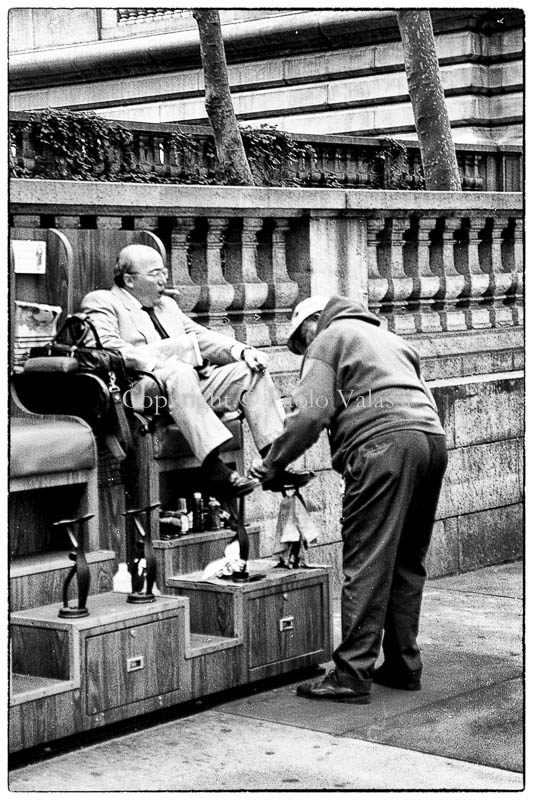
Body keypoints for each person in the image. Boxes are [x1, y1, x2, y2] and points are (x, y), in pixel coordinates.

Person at [250, 295, 448, 703]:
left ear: (309, 324)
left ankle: (352, 674)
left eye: (300, 344)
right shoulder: (387, 338)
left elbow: (310, 414)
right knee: (407, 560)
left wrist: (272, 463)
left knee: (367, 559)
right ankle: (403, 664)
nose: (304, 353)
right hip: (431, 441)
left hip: (382, 447)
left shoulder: (328, 337)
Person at [80, 244, 311, 500]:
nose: (163, 279)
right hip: (142, 390)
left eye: (164, 272)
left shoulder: (167, 305)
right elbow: (106, 348)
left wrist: (243, 351)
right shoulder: (103, 301)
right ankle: (214, 468)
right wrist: (163, 358)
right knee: (179, 372)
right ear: (129, 280)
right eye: (155, 273)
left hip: (186, 387)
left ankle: (274, 464)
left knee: (249, 373)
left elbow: (200, 336)